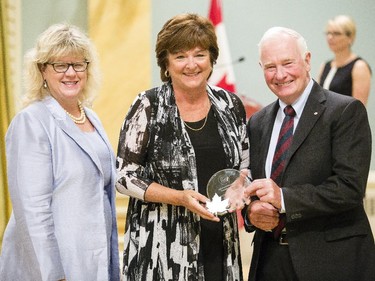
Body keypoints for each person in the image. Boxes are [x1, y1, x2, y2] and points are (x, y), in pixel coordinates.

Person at [116, 13, 249, 280]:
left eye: (199, 55)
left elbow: (244, 166)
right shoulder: (148, 106)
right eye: (180, 56)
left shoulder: (230, 105)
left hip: (219, 243)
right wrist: (179, 197)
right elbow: (123, 177)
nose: (191, 65)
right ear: (166, 63)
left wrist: (241, 185)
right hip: (160, 248)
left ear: (212, 59)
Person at [243, 26, 374, 281]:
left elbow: (349, 188)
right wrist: (251, 212)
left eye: (288, 63)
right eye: (270, 67)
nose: (280, 75)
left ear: (307, 60)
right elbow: (253, 186)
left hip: (331, 262)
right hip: (269, 262)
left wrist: (284, 199)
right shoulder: (257, 122)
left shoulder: (345, 111)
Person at [0, 23, 120, 281]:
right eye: (60, 65)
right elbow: (33, 211)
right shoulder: (32, 121)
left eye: (78, 64)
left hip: (95, 261)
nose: (71, 73)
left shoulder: (92, 117)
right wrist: (53, 275)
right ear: (42, 70)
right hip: (56, 268)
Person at [317, 15, 372, 105]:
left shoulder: (359, 66)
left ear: (350, 37)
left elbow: (358, 109)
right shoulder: (325, 65)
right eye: (328, 33)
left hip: (345, 119)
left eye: (336, 33)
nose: (330, 37)